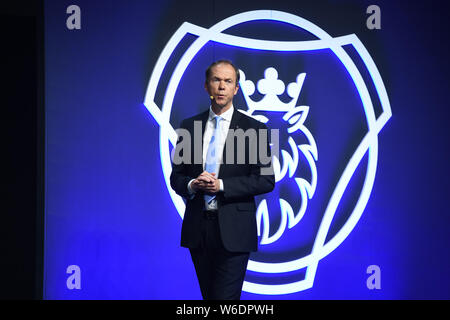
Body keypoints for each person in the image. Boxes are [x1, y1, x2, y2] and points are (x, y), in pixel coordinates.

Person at [170, 60, 275, 300]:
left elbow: (266, 181)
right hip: (199, 229)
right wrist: (192, 184)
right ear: (206, 86)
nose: (221, 87)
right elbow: (176, 177)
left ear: (236, 89)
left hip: (235, 230)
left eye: (228, 81)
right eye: (216, 80)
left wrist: (222, 186)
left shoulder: (256, 129)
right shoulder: (189, 126)